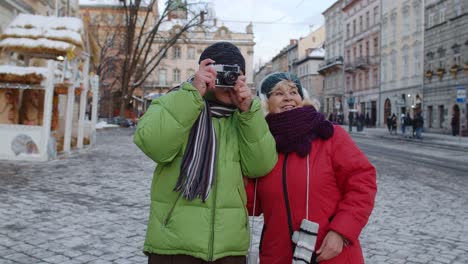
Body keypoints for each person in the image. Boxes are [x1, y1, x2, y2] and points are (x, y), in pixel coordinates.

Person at [134, 42, 278, 264]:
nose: (226, 82)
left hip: (228, 248)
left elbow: (261, 165)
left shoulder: (244, 116)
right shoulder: (175, 100)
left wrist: (248, 112)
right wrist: (193, 95)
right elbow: (155, 145)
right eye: (220, 73)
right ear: (203, 71)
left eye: (233, 75)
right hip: (173, 245)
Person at [246, 72, 377, 264]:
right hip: (278, 255)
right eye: (278, 93)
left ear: (302, 98)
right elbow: (253, 205)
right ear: (265, 102)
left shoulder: (330, 135)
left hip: (329, 254)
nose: (289, 97)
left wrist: (341, 232)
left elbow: (362, 184)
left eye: (294, 91)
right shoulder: (264, 145)